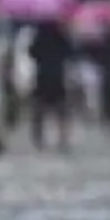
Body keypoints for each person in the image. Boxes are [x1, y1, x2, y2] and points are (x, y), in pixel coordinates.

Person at [28, 19, 75, 152]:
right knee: (61, 109)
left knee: (39, 110)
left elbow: (32, 53)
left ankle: (39, 138)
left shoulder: (39, 36)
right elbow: (70, 52)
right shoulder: (61, 36)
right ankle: (63, 138)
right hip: (57, 76)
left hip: (42, 76)